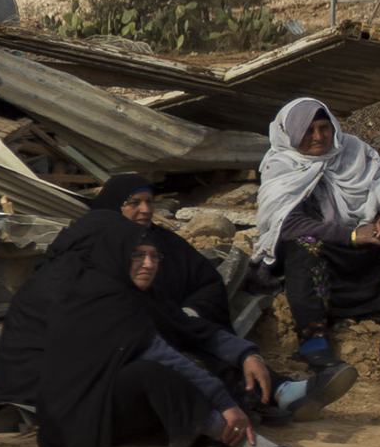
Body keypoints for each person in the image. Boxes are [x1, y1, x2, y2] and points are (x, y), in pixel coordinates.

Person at [0, 212, 291, 447]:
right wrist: (224, 404)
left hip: (102, 401)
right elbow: (157, 352)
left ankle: (215, 433)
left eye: (154, 256)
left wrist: (248, 354)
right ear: (114, 252)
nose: (148, 264)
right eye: (138, 256)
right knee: (154, 372)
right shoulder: (93, 296)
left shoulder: (128, 291)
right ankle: (228, 432)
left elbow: (185, 326)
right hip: (77, 421)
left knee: (174, 364)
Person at [91, 175, 352, 425]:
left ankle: (278, 393)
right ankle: (268, 397)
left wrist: (191, 313)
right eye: (134, 203)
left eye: (149, 202)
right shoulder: (99, 246)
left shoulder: (166, 242)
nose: (146, 210)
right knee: (198, 358)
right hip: (133, 339)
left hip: (182, 325)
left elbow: (208, 282)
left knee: (213, 345)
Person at [256, 97, 380, 365]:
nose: (319, 137)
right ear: (291, 134)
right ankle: (314, 337)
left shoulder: (352, 150)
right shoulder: (281, 166)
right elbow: (288, 223)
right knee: (303, 246)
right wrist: (352, 236)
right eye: (308, 130)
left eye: (324, 128)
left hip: (367, 242)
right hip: (327, 248)